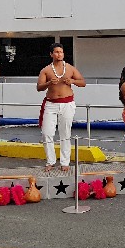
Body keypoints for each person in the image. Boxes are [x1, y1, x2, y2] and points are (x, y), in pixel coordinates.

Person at [37, 43, 86, 173]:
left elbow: (83, 82)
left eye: (61, 52)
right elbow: (39, 87)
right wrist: (49, 83)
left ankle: (65, 162)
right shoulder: (46, 70)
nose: (59, 54)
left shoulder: (70, 68)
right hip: (51, 104)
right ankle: (50, 161)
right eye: (56, 52)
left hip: (67, 103)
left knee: (65, 133)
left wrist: (72, 81)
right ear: (51, 54)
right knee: (47, 133)